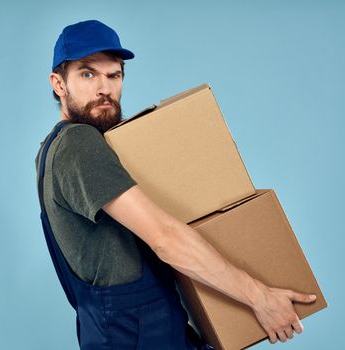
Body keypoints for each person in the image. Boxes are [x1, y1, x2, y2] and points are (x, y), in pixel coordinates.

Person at [35, 19, 317, 349]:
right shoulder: (79, 144)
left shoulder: (50, 149)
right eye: (87, 73)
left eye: (114, 75)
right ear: (58, 84)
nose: (104, 88)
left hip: (139, 331)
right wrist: (260, 297)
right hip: (135, 338)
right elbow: (165, 238)